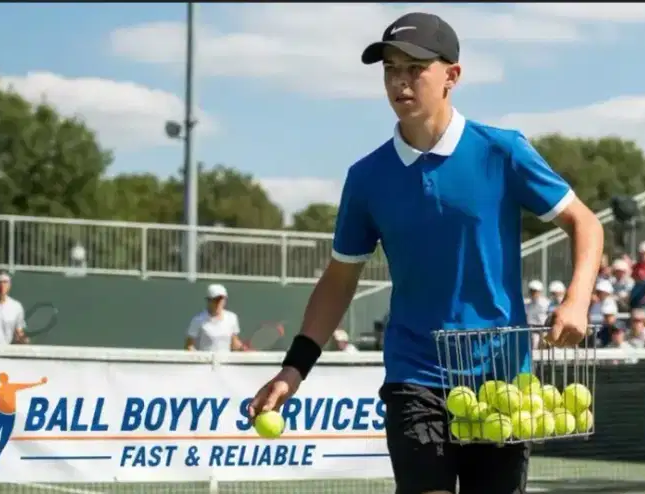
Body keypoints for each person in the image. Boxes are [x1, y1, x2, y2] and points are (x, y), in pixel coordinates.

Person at [246, 12, 604, 494]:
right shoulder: (367, 177)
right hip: (414, 373)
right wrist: (294, 369)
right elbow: (340, 278)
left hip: (502, 378)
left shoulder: (503, 151)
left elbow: (584, 222)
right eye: (390, 69)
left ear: (452, 75)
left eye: (415, 68)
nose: (400, 81)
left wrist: (577, 299)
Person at [185, 284, 247, 352]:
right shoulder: (197, 320)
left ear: (225, 300)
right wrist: (199, 358)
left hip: (227, 361)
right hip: (206, 362)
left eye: (221, 299)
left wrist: (242, 348)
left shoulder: (232, 317)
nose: (218, 303)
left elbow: (234, 342)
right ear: (208, 300)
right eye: (215, 300)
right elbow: (189, 346)